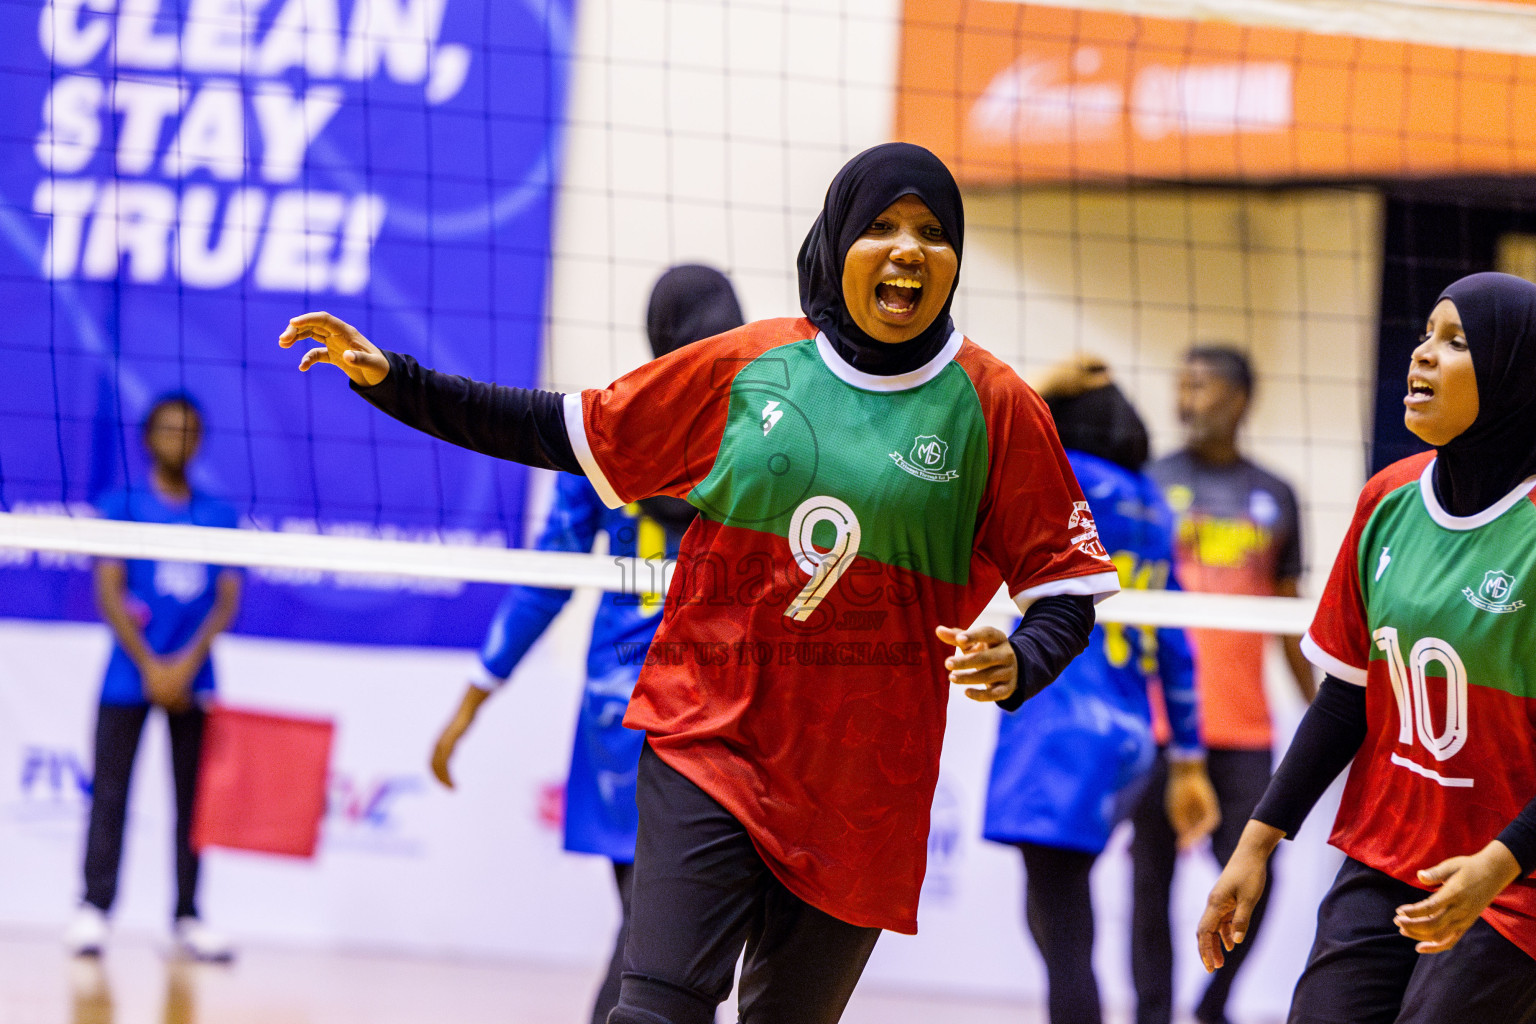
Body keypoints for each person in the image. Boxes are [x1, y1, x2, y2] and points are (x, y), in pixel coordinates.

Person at [281, 142, 1121, 1024]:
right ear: (837, 242)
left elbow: (1065, 591)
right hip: (707, 735)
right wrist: (396, 382)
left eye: (931, 232)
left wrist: (1022, 658)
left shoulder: (996, 406)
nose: (908, 249)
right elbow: (566, 428)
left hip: (861, 785)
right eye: (880, 227)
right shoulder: (751, 366)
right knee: (655, 1011)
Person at [1197, 271, 1536, 1023]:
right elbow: (1346, 699)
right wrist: (1256, 845)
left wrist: (1500, 863)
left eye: (1456, 342)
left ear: (1516, 373)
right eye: (1424, 336)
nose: (1422, 356)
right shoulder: (1389, 497)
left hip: (1515, 882)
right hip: (1387, 854)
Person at [429, 264, 743, 1024]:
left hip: (624, 715)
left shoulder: (612, 428)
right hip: (715, 714)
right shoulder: (769, 433)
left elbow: (544, 582)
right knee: (661, 954)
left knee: (656, 944)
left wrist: (474, 696)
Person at [983, 357, 1220, 1024]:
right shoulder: (1151, 504)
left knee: (1063, 933)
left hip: (1062, 728)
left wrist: (1046, 386)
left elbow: (994, 431)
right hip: (1129, 738)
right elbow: (1177, 643)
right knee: (1061, 915)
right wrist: (1189, 757)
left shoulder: (1071, 479)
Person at [1131, 344, 1316, 1024]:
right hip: (1159, 725)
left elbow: (1289, 615)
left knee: (1254, 884)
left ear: (1238, 399)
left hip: (1245, 730)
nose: (1186, 397)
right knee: (1148, 884)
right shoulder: (1149, 481)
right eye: (1181, 384)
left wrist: (1329, 714)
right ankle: (1153, 1014)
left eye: (1201, 386)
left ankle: (1213, 1009)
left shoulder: (1277, 493)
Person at [63, 393, 243, 961]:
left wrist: (183, 666)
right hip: (128, 675)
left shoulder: (218, 514)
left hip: (193, 676)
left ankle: (187, 917)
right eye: (168, 430)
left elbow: (226, 600)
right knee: (110, 795)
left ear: (201, 441)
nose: (178, 440)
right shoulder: (122, 505)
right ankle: (94, 909)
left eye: (189, 431)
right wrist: (151, 666)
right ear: (147, 438)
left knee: (193, 802)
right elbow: (109, 592)